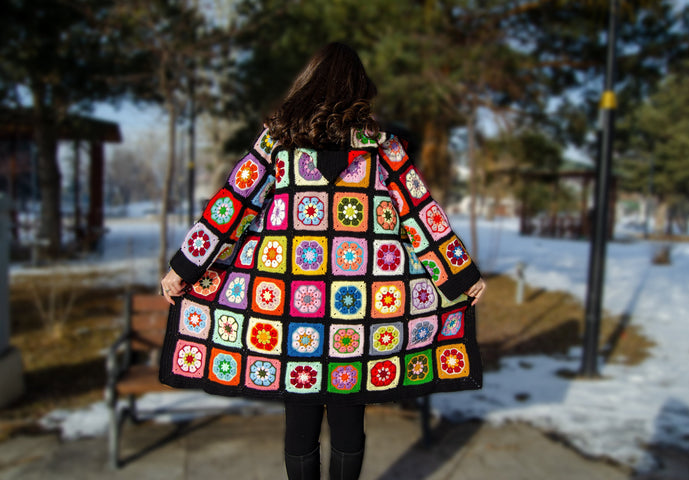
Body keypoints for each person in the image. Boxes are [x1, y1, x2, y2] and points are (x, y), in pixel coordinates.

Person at [159, 42, 486, 480]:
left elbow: (230, 207)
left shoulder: (276, 144)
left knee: (300, 425)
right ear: (358, 91)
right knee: (350, 423)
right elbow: (421, 216)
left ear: (307, 84)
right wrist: (460, 274)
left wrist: (184, 269)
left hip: (294, 317)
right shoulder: (384, 151)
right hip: (362, 317)